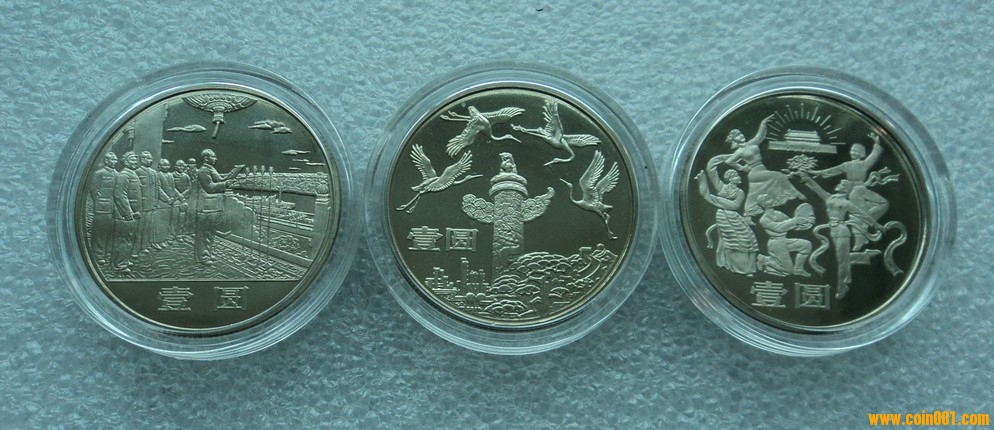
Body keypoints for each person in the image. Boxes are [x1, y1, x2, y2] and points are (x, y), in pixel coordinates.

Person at [800, 174, 881, 299]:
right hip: (833, 231)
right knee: (841, 258)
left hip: (843, 232)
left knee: (841, 260)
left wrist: (876, 224)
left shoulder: (846, 203)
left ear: (846, 189)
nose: (839, 184)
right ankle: (864, 257)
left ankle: (842, 287)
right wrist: (807, 178)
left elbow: (862, 214)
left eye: (842, 184)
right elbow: (817, 189)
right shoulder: (829, 198)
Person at [810, 132, 890, 250]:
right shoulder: (847, 165)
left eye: (857, 151)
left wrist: (877, 143)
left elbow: (874, 155)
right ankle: (860, 237)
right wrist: (817, 173)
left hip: (859, 190)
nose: (854, 153)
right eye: (853, 151)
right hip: (854, 191)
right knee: (857, 213)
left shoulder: (864, 164)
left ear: (862, 154)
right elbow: (833, 170)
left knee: (880, 204)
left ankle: (865, 225)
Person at [720, 115, 804, 216]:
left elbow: (760, 136)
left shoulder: (752, 143)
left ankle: (748, 214)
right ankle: (796, 193)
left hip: (762, 169)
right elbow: (729, 162)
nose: (741, 136)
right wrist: (742, 168)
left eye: (740, 134)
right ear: (734, 140)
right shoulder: (740, 151)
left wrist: (763, 124)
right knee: (778, 175)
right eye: (737, 136)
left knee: (755, 193)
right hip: (754, 172)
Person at [695, 160, 758, 276]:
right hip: (723, 217)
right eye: (736, 176)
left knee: (748, 238)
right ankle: (737, 267)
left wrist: (715, 199)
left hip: (733, 216)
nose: (739, 177)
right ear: (730, 178)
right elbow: (711, 167)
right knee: (732, 240)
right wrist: (730, 158)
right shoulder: (722, 187)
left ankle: (748, 267)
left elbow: (735, 206)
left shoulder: (740, 192)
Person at [193, 149, 244, 264]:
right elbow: (209, 187)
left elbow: (220, 179)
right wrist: (226, 184)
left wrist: (234, 172)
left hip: (213, 206)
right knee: (203, 232)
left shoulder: (210, 168)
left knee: (210, 232)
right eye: (213, 156)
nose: (216, 159)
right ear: (206, 158)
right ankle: (202, 257)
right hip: (206, 207)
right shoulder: (203, 170)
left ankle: (207, 253)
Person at [755, 194, 813, 277]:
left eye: (771, 198)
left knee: (806, 245)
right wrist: (795, 221)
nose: (771, 200)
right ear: (763, 204)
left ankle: (798, 269)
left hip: (784, 240)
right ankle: (765, 260)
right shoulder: (764, 219)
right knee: (788, 271)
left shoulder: (779, 214)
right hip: (776, 244)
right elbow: (779, 228)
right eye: (768, 199)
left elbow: (792, 224)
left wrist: (806, 222)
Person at [112, 152, 142, 274]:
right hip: (125, 215)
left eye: (135, 160)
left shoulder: (131, 173)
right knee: (124, 239)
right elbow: (119, 195)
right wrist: (128, 213)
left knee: (129, 238)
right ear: (125, 162)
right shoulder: (124, 175)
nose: (135, 162)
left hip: (133, 214)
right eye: (132, 160)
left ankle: (124, 259)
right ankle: (120, 265)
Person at [88, 152, 118, 265]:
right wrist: (99, 201)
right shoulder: (99, 173)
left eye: (115, 160)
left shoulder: (117, 174)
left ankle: (108, 252)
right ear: (107, 161)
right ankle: (98, 254)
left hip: (114, 208)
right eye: (113, 160)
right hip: (102, 208)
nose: (115, 162)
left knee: (111, 231)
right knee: (100, 232)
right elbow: (94, 190)